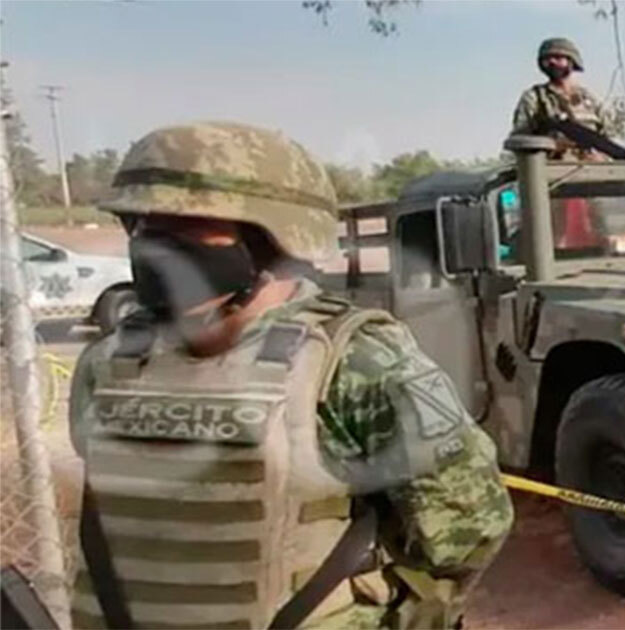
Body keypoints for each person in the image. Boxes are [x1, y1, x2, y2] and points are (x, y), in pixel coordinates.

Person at [67, 121, 513, 630]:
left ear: (270, 236)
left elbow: (470, 526)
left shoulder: (356, 361)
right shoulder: (109, 362)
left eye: (183, 223)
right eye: (142, 223)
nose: (151, 243)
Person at [511, 37, 608, 162]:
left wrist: (602, 157)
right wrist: (552, 146)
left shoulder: (590, 100)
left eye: (558, 58)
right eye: (547, 59)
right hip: (552, 174)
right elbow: (519, 140)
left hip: (593, 173)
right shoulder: (535, 98)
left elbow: (609, 140)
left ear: (571, 61)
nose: (551, 62)